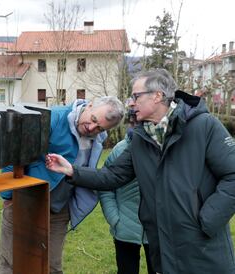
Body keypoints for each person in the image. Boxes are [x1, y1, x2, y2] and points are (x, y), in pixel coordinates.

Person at [46, 68, 235, 274]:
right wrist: (72, 170)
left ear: (157, 96)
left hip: (202, 246)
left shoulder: (204, 126)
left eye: (136, 96)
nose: (131, 103)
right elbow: (112, 176)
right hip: (162, 243)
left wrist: (207, 221)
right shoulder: (140, 138)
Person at [0, 96, 125, 274]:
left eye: (99, 128)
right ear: (89, 105)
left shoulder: (97, 138)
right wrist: (9, 196)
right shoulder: (54, 118)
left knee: (52, 267)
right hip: (24, 202)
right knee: (11, 264)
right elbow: (15, 151)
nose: (91, 128)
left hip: (58, 209)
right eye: (93, 119)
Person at [98, 98, 155, 274]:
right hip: (125, 228)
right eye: (134, 122)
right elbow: (105, 184)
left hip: (158, 229)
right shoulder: (119, 150)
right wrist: (115, 219)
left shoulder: (162, 148)